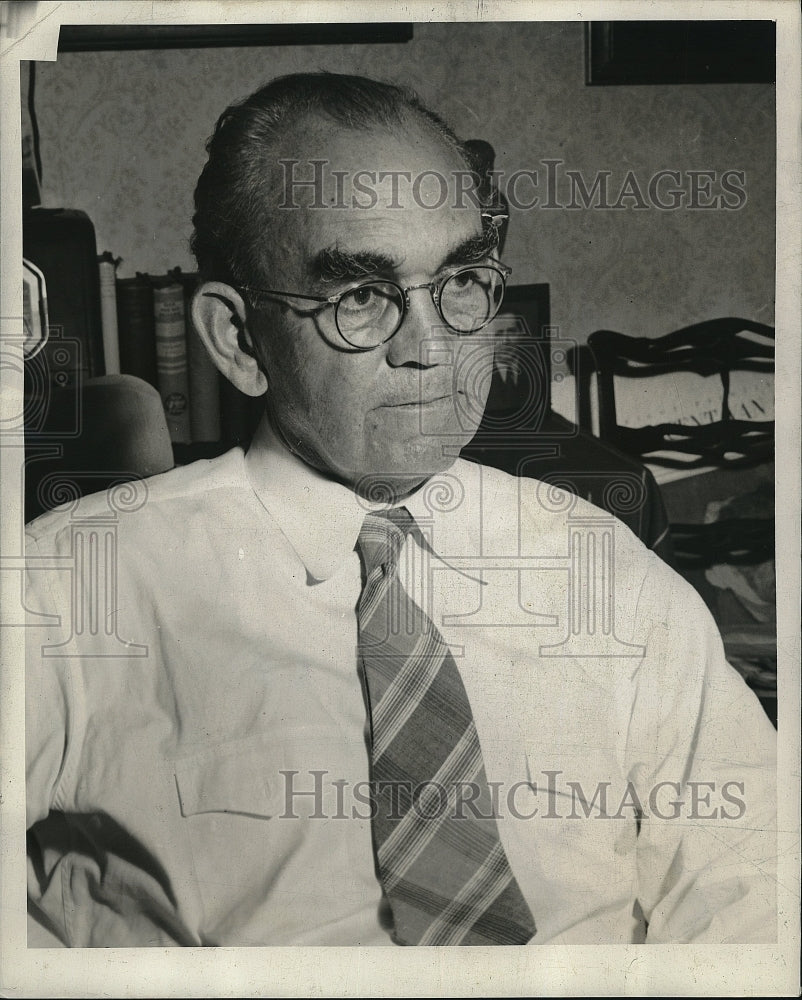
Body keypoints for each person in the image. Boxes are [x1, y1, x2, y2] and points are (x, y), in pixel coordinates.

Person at [25, 72, 776, 947]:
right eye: (360, 297)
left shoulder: (598, 565)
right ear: (237, 340)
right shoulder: (73, 588)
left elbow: (750, 880)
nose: (433, 350)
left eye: (461, 280)